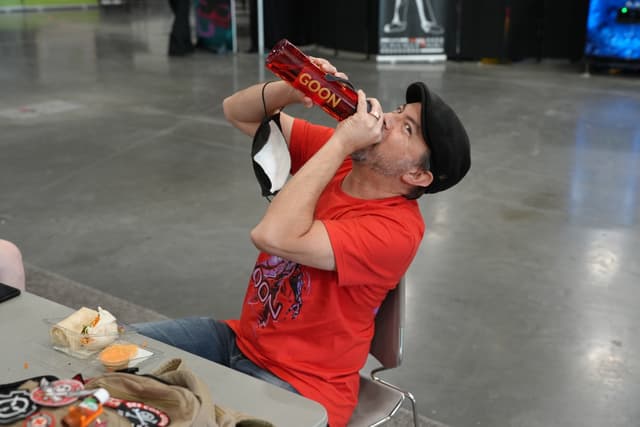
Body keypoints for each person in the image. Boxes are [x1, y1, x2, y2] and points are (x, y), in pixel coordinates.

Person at [135, 57, 470, 426]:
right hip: (238, 342)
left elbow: (270, 236)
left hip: (303, 387)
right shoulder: (344, 160)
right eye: (397, 110)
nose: (387, 119)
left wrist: (342, 141)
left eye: (406, 128)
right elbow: (237, 112)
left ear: (418, 174)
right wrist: (291, 90)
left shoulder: (395, 230)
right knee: (105, 350)